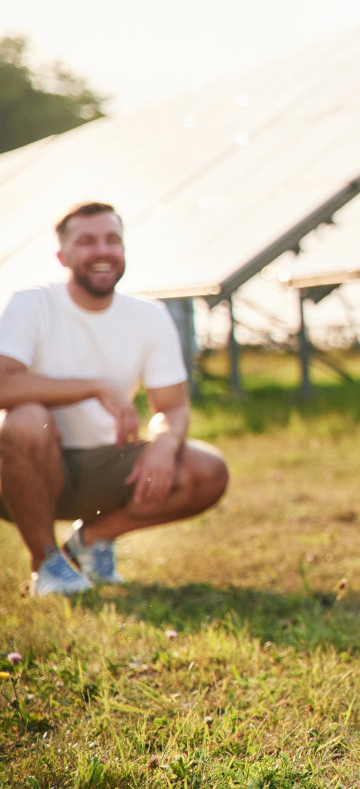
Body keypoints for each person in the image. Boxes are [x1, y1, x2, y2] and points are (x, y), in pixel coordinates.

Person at [0, 201, 229, 597]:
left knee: (207, 469)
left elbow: (171, 408)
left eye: (112, 240)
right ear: (63, 255)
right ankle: (46, 564)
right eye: (86, 241)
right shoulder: (30, 303)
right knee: (25, 420)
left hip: (104, 464)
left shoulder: (149, 316)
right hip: (21, 467)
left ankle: (89, 542)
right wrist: (96, 386)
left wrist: (163, 443)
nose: (102, 251)